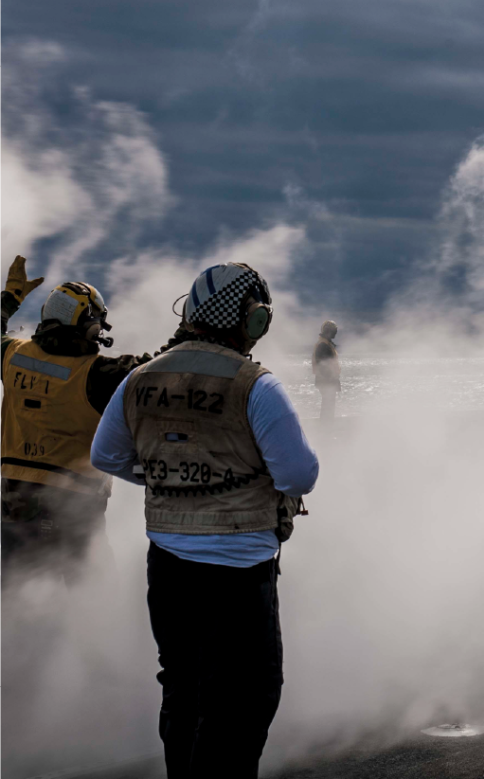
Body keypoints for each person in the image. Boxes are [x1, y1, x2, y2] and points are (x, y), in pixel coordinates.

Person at [91, 261, 319, 779]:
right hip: (241, 572)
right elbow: (299, 475)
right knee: (245, 698)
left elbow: (105, 457)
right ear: (249, 318)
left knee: (183, 690)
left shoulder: (139, 379)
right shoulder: (256, 386)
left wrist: (173, 480)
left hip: (167, 566)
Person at [0, 255, 181, 591]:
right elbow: (161, 368)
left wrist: (10, 298)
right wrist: (189, 331)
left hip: (15, 504)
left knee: (13, 605)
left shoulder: (13, 355)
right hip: (75, 508)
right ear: (89, 324)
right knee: (93, 600)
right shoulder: (98, 374)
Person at [312, 319, 341, 422]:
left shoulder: (325, 343)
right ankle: (326, 428)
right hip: (326, 381)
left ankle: (326, 427)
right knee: (328, 407)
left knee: (328, 406)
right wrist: (330, 379)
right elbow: (323, 365)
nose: (334, 333)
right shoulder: (323, 345)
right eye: (333, 331)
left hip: (326, 381)